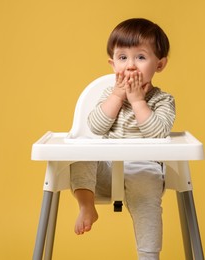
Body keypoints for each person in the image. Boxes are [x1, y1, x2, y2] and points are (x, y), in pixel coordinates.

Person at [70, 18, 175, 260]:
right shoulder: (109, 95)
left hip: (144, 169)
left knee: (148, 200)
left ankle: (148, 255)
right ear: (112, 64)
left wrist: (138, 101)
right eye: (122, 58)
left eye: (140, 57)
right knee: (81, 155)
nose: (130, 66)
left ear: (159, 64)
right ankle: (86, 206)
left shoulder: (162, 101)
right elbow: (95, 127)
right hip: (106, 170)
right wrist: (118, 96)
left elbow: (158, 133)